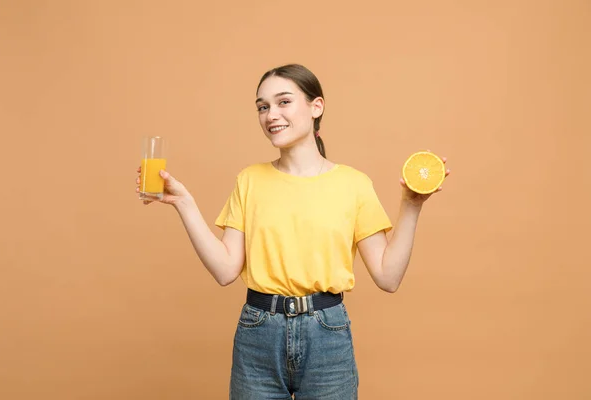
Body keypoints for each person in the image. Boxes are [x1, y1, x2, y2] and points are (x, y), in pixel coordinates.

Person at [135, 63, 450, 399]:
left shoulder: (353, 184)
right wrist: (184, 203)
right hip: (257, 333)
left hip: (327, 334)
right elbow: (225, 270)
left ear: (317, 107)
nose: (271, 114)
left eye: (283, 102)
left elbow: (388, 277)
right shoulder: (250, 180)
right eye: (262, 106)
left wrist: (412, 205)